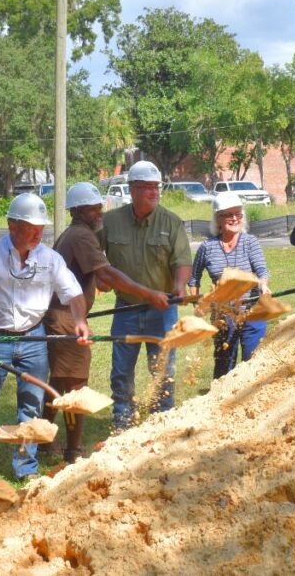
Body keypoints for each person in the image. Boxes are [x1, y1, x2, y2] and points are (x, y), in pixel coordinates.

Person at [0, 193, 92, 479]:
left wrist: (80, 320)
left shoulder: (50, 259)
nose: (38, 233)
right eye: (31, 226)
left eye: (41, 227)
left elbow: (74, 294)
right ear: (12, 225)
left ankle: (26, 467)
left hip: (34, 340)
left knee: (31, 405)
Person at [40, 183, 170, 463]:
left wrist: (97, 280)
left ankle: (44, 441)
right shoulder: (81, 236)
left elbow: (95, 274)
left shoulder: (76, 234)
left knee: (59, 383)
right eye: (92, 208)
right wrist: (149, 293)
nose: (98, 212)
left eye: (99, 206)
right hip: (66, 320)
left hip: (61, 316)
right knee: (76, 387)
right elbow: (108, 274)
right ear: (77, 211)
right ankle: (73, 451)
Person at [98, 160, 192, 431]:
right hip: (125, 309)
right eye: (147, 187)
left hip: (162, 310)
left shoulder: (171, 222)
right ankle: (123, 424)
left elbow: (182, 260)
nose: (154, 192)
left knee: (163, 370)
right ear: (132, 189)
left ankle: (162, 425)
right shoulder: (111, 221)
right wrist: (98, 278)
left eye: (156, 187)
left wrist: (180, 286)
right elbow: (92, 254)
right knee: (121, 372)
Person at [188, 192, 271, 379]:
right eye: (228, 214)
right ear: (218, 219)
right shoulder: (207, 247)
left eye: (238, 214)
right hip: (223, 315)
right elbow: (194, 278)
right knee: (224, 365)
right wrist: (197, 302)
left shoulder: (250, 243)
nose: (234, 218)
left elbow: (262, 271)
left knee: (253, 361)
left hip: (252, 311)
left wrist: (263, 286)